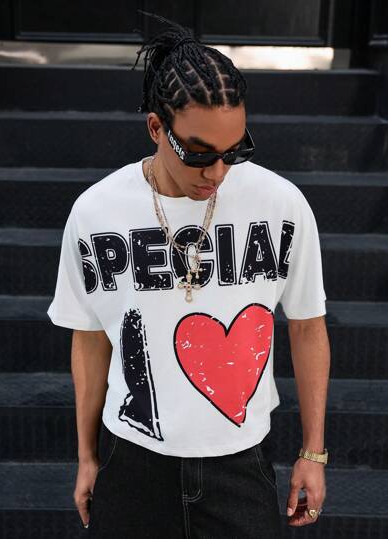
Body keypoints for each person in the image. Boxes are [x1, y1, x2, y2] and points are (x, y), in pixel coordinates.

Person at [47, 10, 330, 538]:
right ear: (157, 127)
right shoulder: (96, 212)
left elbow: (309, 326)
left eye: (235, 151)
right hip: (132, 460)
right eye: (199, 154)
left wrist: (313, 452)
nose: (218, 172)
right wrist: (87, 456)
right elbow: (89, 339)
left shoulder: (281, 205)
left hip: (241, 462)